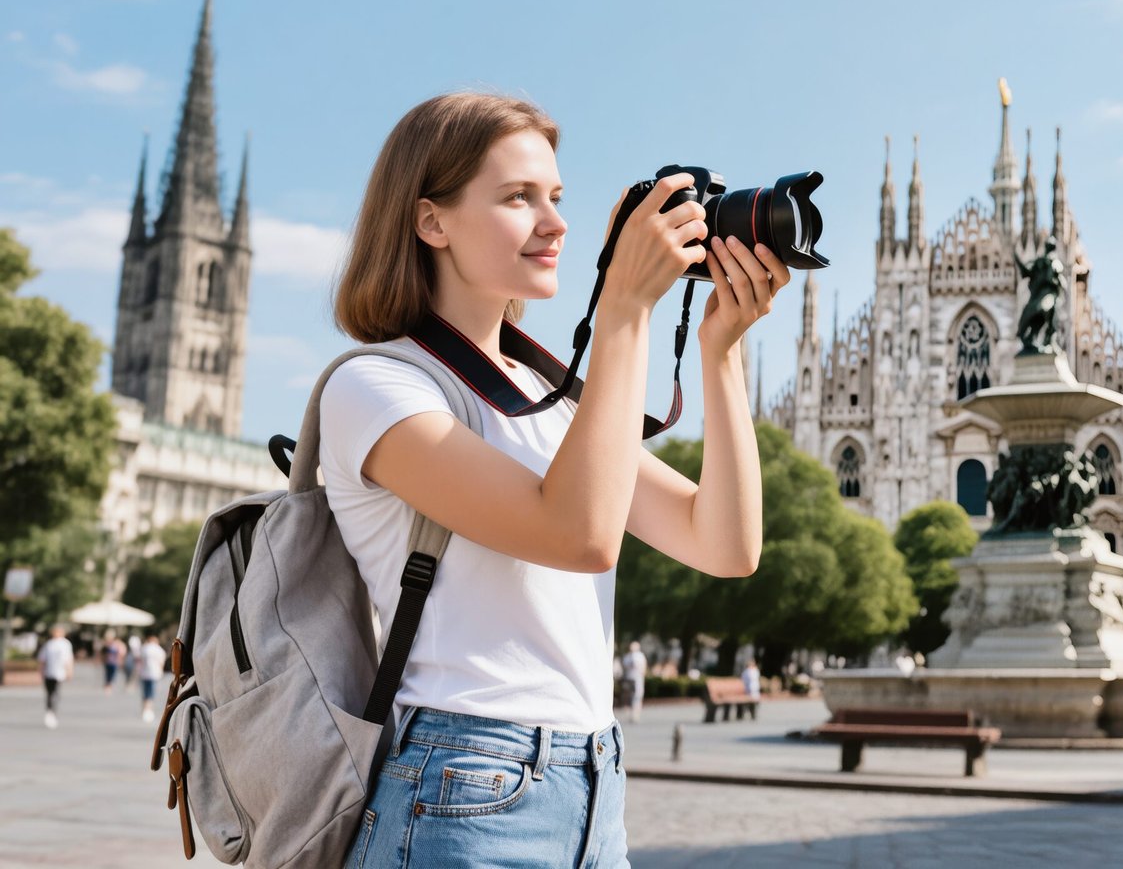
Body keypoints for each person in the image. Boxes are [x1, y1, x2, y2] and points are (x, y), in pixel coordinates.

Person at [321, 93, 783, 868]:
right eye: (517, 197)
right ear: (431, 222)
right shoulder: (378, 388)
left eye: (557, 198)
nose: (556, 223)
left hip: (594, 779)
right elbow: (578, 534)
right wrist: (625, 311)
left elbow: (725, 544)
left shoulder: (557, 400)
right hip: (460, 786)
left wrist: (721, 353)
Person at [38, 626, 74, 729]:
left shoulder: (65, 644)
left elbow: (69, 658)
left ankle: (53, 711)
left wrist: (69, 671)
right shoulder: (49, 644)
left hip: (59, 672)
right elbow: (42, 659)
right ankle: (49, 711)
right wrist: (41, 671)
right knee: (49, 692)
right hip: (49, 672)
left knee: (56, 692)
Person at [138, 634, 166, 722]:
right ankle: (149, 710)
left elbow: (140, 661)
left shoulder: (144, 648)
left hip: (144, 673)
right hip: (154, 673)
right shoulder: (159, 649)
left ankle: (144, 709)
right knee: (151, 692)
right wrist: (161, 672)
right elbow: (161, 662)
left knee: (145, 692)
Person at [622, 642, 648, 723]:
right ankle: (632, 713)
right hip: (632, 679)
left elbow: (643, 667)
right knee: (632, 697)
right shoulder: (629, 657)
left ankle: (635, 714)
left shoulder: (638, 656)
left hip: (636, 679)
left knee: (636, 696)